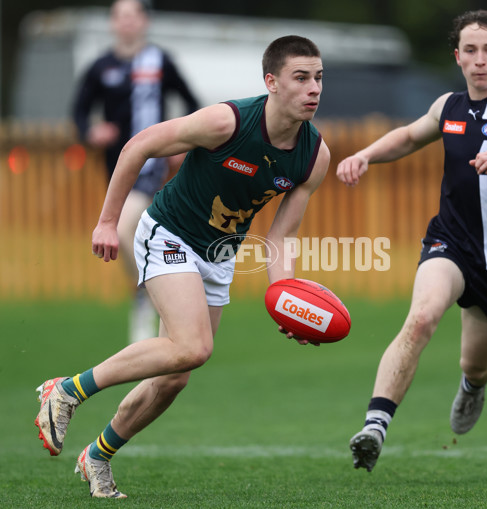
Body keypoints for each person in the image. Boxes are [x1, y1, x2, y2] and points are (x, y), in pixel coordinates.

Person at [36, 35, 329, 498]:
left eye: (318, 78)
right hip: (168, 232)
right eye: (300, 78)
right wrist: (108, 222)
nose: (313, 88)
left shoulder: (314, 155)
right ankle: (67, 389)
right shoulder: (226, 121)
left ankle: (97, 456)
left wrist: (286, 300)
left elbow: (281, 238)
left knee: (175, 375)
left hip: (218, 255)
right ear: (271, 82)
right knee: (192, 347)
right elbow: (139, 145)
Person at [337, 9, 487, 472]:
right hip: (450, 243)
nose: (480, 60)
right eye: (470, 51)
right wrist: (364, 154)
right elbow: (407, 137)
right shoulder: (447, 107)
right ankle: (375, 426)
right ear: (458, 58)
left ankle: (474, 384)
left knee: (476, 363)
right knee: (421, 318)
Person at [72, 0, 200, 344]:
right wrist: (90, 132)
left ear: (144, 21)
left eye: (133, 15)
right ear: (113, 23)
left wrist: (183, 143)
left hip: (151, 163)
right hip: (116, 167)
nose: (127, 23)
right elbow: (80, 111)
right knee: (140, 230)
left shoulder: (159, 61)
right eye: (121, 16)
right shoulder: (101, 67)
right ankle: (148, 291)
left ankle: (147, 294)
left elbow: (191, 103)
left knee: (127, 224)